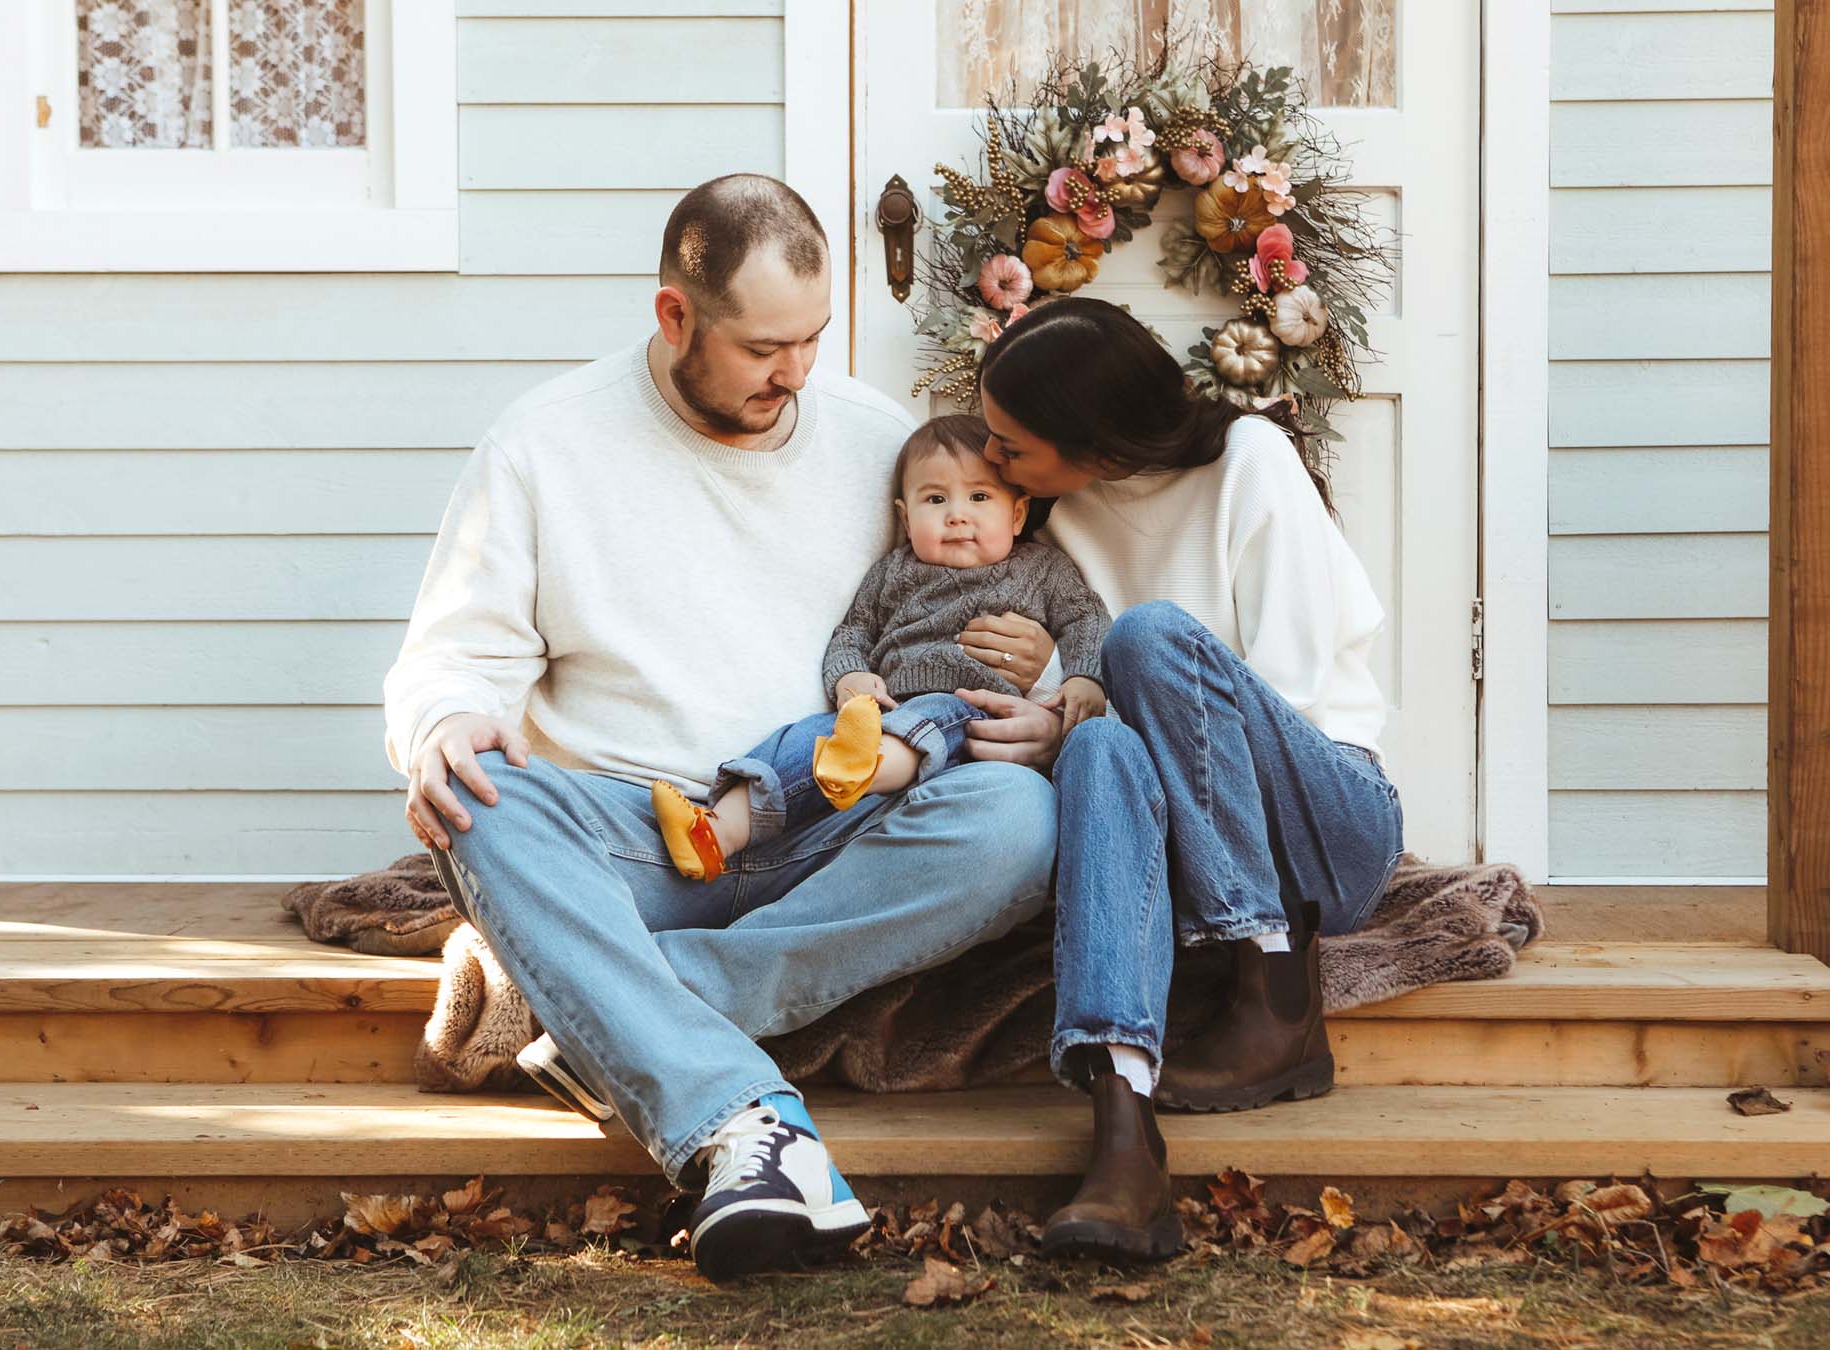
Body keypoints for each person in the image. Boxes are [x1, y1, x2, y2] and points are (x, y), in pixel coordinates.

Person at [383, 175, 1057, 1282]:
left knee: (1017, 817)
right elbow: (451, 657)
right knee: (480, 810)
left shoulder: (875, 440)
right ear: (676, 317)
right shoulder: (545, 446)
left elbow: (982, 596)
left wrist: (1041, 691)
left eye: (812, 340)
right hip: (643, 830)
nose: (794, 374)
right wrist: (446, 720)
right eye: (762, 349)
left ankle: (628, 1005)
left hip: (838, 820)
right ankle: (739, 1123)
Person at [957, 296, 1406, 1263]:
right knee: (1097, 748)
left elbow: (1287, 690)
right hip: (1182, 846)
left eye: (1009, 447)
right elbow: (1104, 720)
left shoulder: (1251, 464)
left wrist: (1096, 675)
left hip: (1323, 829)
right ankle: (1124, 1137)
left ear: (1099, 444)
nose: (990, 464)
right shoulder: (1058, 518)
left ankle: (1276, 989)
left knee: (1148, 635)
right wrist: (1056, 696)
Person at [648, 413, 1111, 880]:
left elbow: (1086, 618)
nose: (957, 514)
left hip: (975, 714)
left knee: (934, 713)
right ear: (906, 519)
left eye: (979, 496)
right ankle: (716, 829)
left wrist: (1083, 677)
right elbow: (853, 632)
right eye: (935, 499)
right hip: (882, 713)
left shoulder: (1043, 569)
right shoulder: (892, 571)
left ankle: (860, 767)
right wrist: (850, 676)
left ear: (1016, 514)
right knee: (803, 735)